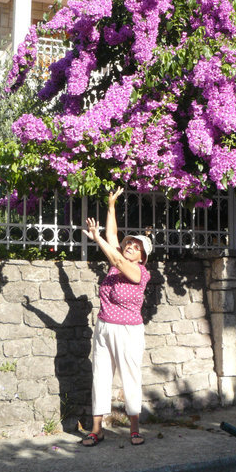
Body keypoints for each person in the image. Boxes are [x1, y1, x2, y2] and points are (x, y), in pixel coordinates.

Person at [82, 187, 152, 446]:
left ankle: (134, 428)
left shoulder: (140, 274)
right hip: (104, 326)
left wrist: (96, 239)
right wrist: (111, 205)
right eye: (129, 244)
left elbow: (113, 252)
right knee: (100, 376)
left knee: (130, 376)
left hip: (128, 331)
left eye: (136, 247)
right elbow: (113, 237)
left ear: (143, 257)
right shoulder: (116, 261)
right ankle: (96, 429)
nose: (130, 247)